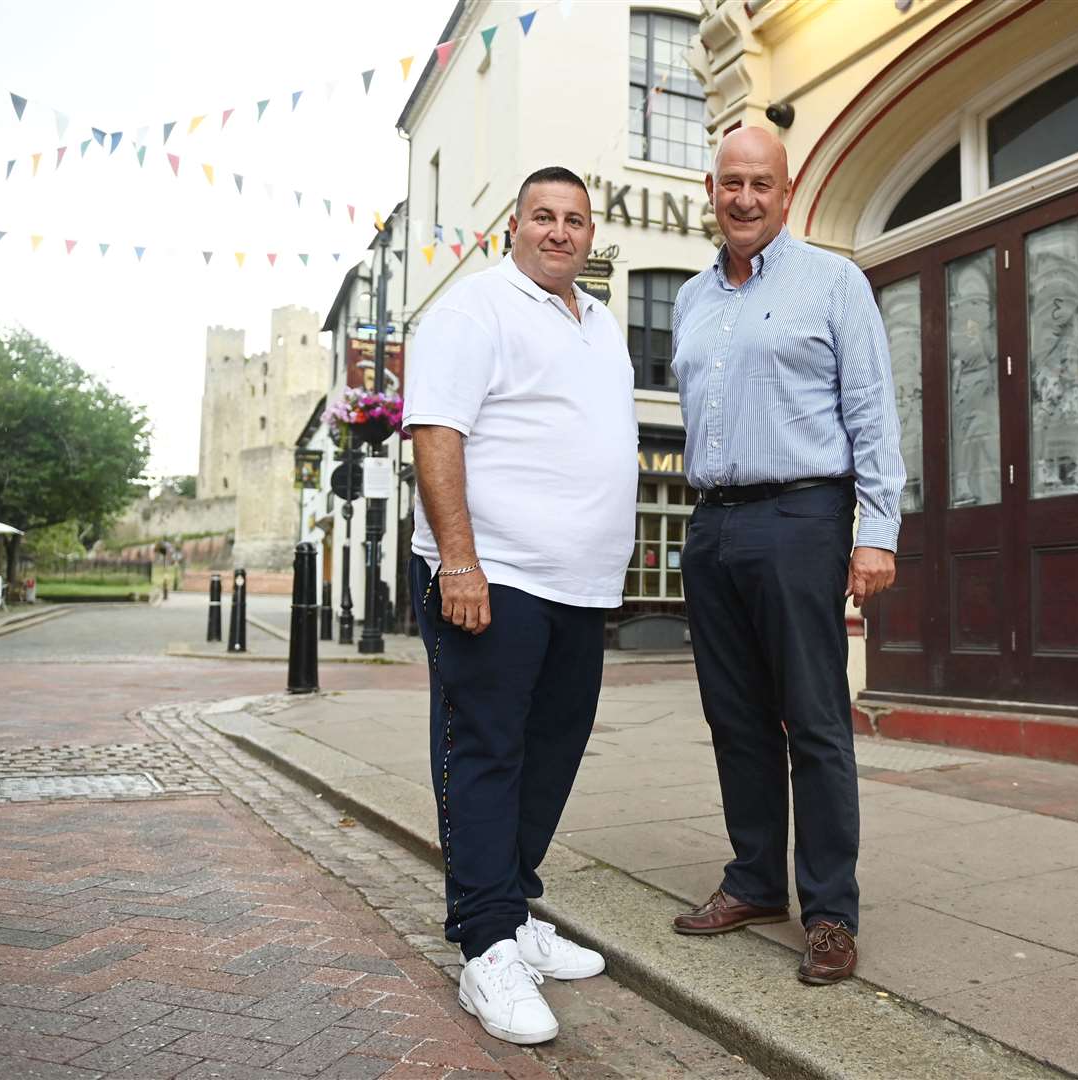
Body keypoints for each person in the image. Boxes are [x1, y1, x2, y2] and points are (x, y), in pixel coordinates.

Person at [403, 166, 636, 1046]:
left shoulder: (600, 320)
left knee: (551, 753)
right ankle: (486, 945)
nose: (560, 232)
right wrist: (459, 561)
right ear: (514, 225)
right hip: (494, 576)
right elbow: (437, 432)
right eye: (544, 216)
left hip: (579, 586)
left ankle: (513, 905)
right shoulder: (475, 309)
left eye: (575, 220)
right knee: (487, 755)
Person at [668, 127, 905, 985]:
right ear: (711, 187)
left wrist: (875, 531)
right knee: (734, 716)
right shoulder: (693, 299)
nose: (745, 198)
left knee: (813, 720)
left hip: (803, 514)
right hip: (712, 524)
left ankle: (831, 912)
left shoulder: (834, 282)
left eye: (760, 183)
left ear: (787, 188)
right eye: (732, 182)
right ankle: (757, 880)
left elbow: (873, 411)